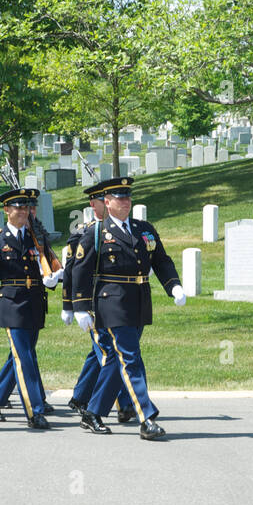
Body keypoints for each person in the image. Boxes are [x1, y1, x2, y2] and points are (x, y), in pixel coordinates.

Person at [70, 176, 184, 440]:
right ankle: (146, 417)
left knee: (115, 361)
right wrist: (79, 307)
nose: (125, 201)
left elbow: (161, 260)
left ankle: (92, 412)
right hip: (111, 302)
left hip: (139, 300)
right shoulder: (96, 232)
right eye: (119, 198)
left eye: (128, 197)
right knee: (130, 358)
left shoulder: (144, 229)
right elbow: (81, 270)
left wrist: (173, 286)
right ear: (107, 202)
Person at [0, 188, 61, 430]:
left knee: (20, 354)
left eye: (26, 207)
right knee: (24, 358)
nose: (24, 212)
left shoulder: (36, 237)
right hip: (11, 304)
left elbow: (48, 264)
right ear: (7, 210)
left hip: (35, 303)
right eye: (18, 207)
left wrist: (54, 278)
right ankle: (34, 411)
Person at [63, 180, 134, 431]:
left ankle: (82, 398)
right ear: (97, 204)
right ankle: (120, 403)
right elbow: (73, 272)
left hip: (115, 303)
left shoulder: (127, 230)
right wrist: (70, 305)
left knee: (103, 353)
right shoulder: (85, 232)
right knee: (111, 353)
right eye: (97, 201)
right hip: (94, 304)